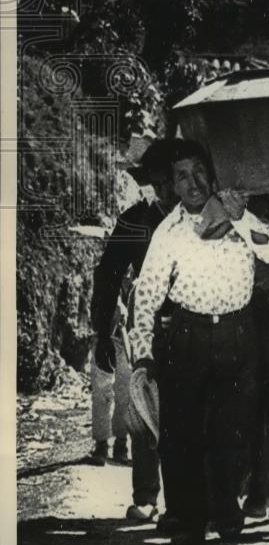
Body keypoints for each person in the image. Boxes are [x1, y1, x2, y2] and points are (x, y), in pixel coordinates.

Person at [129, 140, 269, 545]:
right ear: (173, 185)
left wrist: (242, 218)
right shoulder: (170, 232)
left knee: (233, 431)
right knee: (182, 432)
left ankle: (227, 513)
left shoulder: (238, 215)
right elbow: (146, 293)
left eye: (199, 172)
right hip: (187, 338)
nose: (193, 183)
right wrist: (142, 353)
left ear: (212, 173)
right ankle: (188, 520)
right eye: (182, 176)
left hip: (238, 335)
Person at [89, 139, 178, 523]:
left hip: (197, 330)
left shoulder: (201, 217)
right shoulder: (134, 220)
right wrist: (101, 332)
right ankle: (146, 496)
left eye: (169, 179)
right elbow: (107, 276)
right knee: (144, 412)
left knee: (188, 415)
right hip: (147, 330)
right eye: (156, 181)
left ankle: (184, 501)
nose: (164, 189)